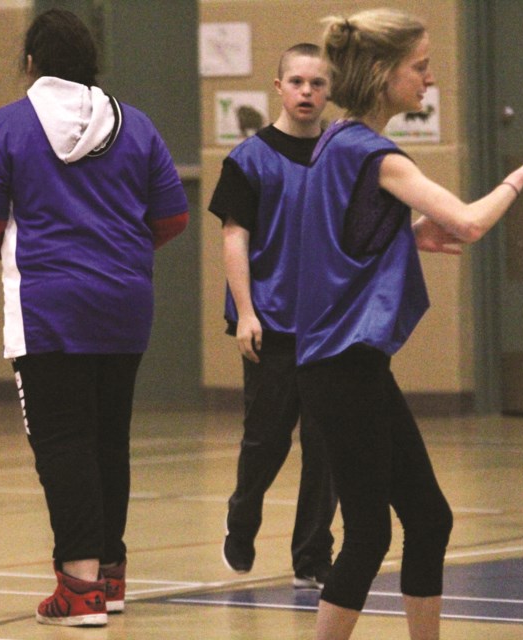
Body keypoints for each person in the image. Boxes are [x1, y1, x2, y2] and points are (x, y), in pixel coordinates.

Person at [294, 9, 523, 639]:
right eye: (420, 67)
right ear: (380, 71)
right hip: (340, 368)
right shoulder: (372, 152)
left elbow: (338, 235)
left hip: (350, 367)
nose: (429, 78)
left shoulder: (337, 142)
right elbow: (472, 223)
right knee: (369, 535)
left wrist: (403, 233)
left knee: (428, 519)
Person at [0, 8, 188, 627]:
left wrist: (26, 258)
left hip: (49, 309)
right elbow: (172, 218)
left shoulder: (7, 126)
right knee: (109, 438)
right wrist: (118, 259)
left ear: (30, 62)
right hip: (125, 306)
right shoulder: (134, 124)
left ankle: (78, 589)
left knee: (62, 443)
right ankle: (109, 576)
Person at [209, 43, 337, 588]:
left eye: (318, 83)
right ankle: (242, 519)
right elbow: (235, 237)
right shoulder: (249, 158)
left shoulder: (342, 154)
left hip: (331, 325)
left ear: (330, 91)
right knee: (267, 441)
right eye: (298, 81)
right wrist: (245, 313)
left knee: (327, 446)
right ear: (278, 86)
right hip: (272, 321)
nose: (307, 91)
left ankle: (312, 558)